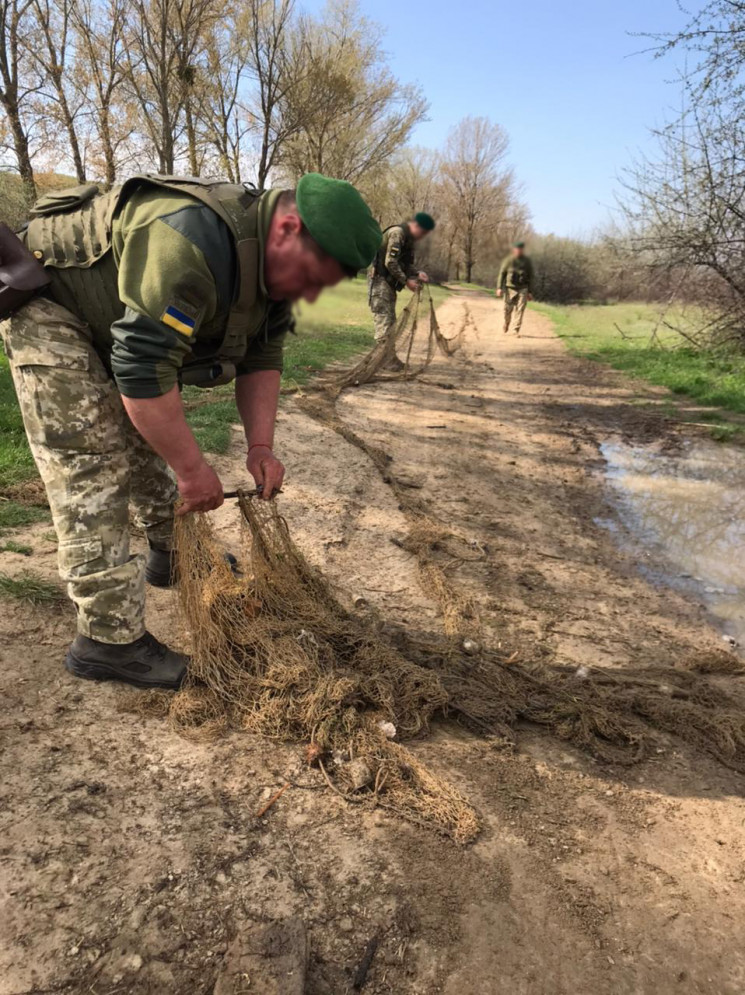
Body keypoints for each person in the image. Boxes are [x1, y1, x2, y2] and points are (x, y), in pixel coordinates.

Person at [0, 172, 381, 690]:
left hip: (117, 320)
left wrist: (261, 446)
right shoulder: (190, 240)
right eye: (317, 275)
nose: (313, 292)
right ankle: (108, 641)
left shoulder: (273, 266)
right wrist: (193, 470)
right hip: (51, 308)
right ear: (289, 227)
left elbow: (262, 355)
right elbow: (142, 371)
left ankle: (169, 551)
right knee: (90, 464)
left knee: (144, 437)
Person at [369, 212, 435, 365]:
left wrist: (418, 273)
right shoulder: (397, 234)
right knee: (384, 321)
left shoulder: (408, 239)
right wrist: (407, 282)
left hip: (388, 284)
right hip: (380, 282)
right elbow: (390, 262)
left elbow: (405, 264)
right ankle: (383, 361)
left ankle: (388, 359)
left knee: (391, 322)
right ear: (416, 226)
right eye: (423, 232)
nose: (422, 237)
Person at [496, 241, 535, 336]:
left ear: (522, 250)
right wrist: (499, 288)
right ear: (514, 250)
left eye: (521, 249)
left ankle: (515, 329)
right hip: (510, 288)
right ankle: (507, 322)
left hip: (523, 288)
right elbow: (502, 274)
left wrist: (530, 291)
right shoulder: (508, 260)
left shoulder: (527, 262)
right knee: (507, 310)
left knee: (520, 308)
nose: (519, 251)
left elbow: (531, 277)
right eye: (517, 249)